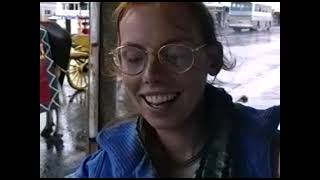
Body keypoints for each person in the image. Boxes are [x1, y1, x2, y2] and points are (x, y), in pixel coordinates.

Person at [69, 2, 280, 178]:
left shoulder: (268, 156)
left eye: (174, 55)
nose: (151, 75)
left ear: (213, 59)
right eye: (133, 57)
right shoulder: (105, 166)